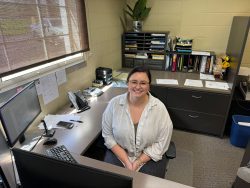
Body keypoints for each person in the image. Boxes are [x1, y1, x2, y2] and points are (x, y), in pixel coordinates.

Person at [102, 66, 173, 178]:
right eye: (134, 82)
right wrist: (126, 161)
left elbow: (162, 142)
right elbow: (108, 135)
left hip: (149, 156)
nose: (138, 87)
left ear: (149, 86)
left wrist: (138, 162)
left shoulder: (160, 108)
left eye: (143, 83)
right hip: (120, 154)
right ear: (127, 83)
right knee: (111, 181)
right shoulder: (113, 105)